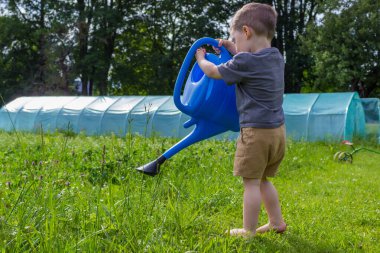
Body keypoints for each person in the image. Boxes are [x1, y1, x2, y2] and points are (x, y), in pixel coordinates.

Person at [195, 2, 287, 236]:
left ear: (246, 32)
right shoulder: (276, 57)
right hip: (278, 133)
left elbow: (213, 72)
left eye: (235, 39)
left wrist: (201, 59)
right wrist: (232, 46)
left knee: (251, 183)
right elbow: (248, 58)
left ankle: (248, 230)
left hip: (255, 133)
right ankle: (276, 222)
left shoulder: (244, 63)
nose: (234, 44)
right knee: (264, 179)